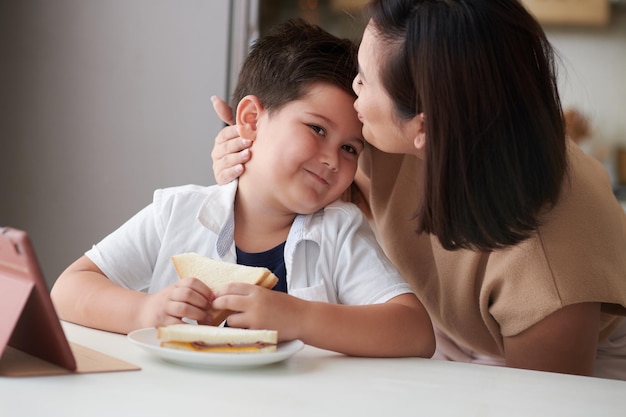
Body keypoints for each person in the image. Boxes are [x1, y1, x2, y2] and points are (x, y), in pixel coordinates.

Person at [211, 0, 626, 379]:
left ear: (423, 127)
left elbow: (545, 398)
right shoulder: (394, 127)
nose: (351, 90)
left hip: (559, 369)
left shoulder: (549, 265)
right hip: (442, 332)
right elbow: (326, 182)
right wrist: (253, 157)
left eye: (364, 83)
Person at [50, 18, 435, 358]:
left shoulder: (339, 229)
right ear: (250, 119)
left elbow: (415, 333)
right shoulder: (176, 212)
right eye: (317, 129)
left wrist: (299, 317)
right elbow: (68, 289)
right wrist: (144, 311)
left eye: (350, 148)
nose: (334, 159)